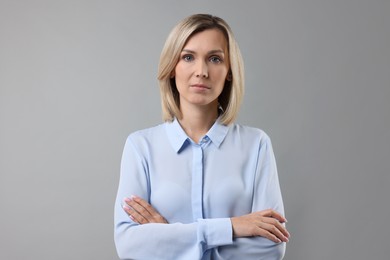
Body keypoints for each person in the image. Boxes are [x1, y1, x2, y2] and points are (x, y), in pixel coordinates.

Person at [114, 14, 290, 260]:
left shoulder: (256, 145)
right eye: (188, 57)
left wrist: (168, 238)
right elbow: (129, 246)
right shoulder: (140, 147)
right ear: (172, 68)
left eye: (215, 59)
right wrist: (231, 227)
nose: (201, 71)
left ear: (229, 71)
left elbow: (271, 248)